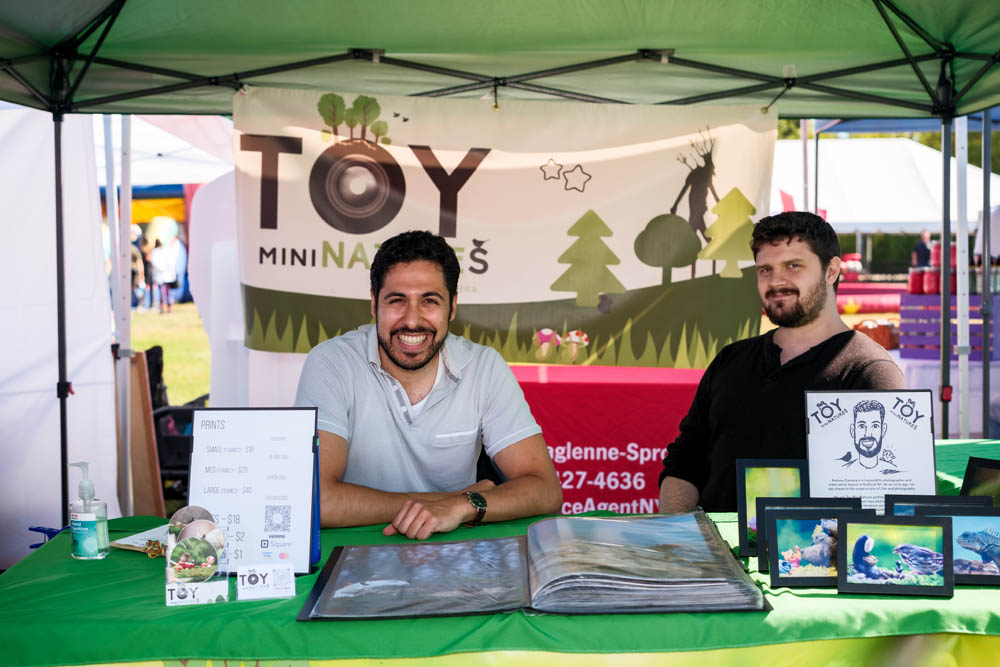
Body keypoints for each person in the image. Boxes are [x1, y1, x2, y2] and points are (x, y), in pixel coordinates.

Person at [295, 230, 562, 539]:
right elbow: (318, 501)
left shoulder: (484, 366)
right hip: (352, 550)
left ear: (453, 306)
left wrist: (459, 507)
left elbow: (546, 490)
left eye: (430, 301)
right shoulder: (332, 362)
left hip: (455, 553)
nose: (412, 320)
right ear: (374, 303)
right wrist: (449, 503)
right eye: (397, 300)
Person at [658, 211, 905, 513]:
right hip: (709, 543)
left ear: (831, 271)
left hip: (812, 544)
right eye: (765, 269)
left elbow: (882, 505)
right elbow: (684, 463)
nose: (776, 280)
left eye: (793, 265)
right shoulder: (730, 360)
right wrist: (679, 530)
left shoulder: (870, 372)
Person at [149, 238, 176, 314]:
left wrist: (164, 268)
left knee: (165, 292)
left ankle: (167, 306)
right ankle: (165, 306)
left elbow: (170, 262)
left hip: (165, 275)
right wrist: (164, 268)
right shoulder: (163, 251)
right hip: (162, 275)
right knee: (165, 291)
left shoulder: (159, 251)